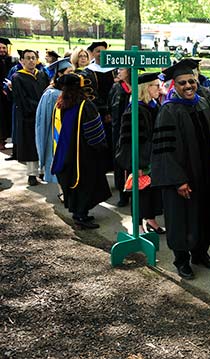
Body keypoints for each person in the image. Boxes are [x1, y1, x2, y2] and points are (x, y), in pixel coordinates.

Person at [151, 62, 210, 280]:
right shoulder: (169, 110)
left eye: (192, 81)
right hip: (183, 179)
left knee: (204, 215)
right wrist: (178, 180)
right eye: (183, 83)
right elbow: (164, 150)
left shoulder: (203, 103)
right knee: (182, 219)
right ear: (175, 85)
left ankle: (200, 254)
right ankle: (181, 261)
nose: (188, 86)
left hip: (207, 175)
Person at [51, 73, 111, 229]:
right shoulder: (85, 105)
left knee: (73, 182)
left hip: (66, 152)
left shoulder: (60, 104)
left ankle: (78, 213)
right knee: (85, 183)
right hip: (84, 154)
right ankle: (80, 216)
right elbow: (95, 133)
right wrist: (101, 147)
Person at [115, 72, 164, 235]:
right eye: (156, 85)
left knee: (152, 193)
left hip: (152, 158)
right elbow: (129, 141)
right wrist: (137, 164)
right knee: (140, 194)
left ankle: (151, 220)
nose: (160, 88)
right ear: (146, 88)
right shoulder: (135, 109)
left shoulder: (153, 105)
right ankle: (138, 226)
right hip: (140, 160)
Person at [35, 58, 74, 201]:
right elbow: (43, 121)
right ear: (59, 75)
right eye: (69, 72)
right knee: (58, 162)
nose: (73, 75)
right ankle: (62, 191)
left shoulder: (72, 91)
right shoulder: (51, 94)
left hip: (69, 135)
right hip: (55, 135)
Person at [11, 49, 49, 186]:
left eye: (33, 58)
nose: (31, 60)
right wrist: (39, 107)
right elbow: (21, 99)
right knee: (30, 145)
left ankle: (43, 170)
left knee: (43, 142)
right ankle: (32, 174)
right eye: (28, 58)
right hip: (28, 117)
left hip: (43, 115)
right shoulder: (17, 77)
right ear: (22, 61)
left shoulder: (42, 75)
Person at [86, 41, 116, 171]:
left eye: (104, 51)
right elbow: (91, 94)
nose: (101, 54)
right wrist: (105, 112)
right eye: (98, 51)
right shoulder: (88, 72)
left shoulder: (114, 70)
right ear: (92, 54)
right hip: (97, 113)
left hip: (115, 110)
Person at [108, 68, 132, 207]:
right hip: (119, 130)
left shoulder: (136, 85)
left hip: (134, 129)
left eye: (122, 69)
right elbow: (111, 108)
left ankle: (134, 192)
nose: (118, 71)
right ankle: (123, 194)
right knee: (120, 161)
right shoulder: (117, 87)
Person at [0, 37, 17, 150]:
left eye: (4, 48)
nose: (2, 50)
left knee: (9, 116)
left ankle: (10, 138)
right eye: (0, 48)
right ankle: (1, 140)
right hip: (0, 95)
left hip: (10, 93)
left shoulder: (11, 61)